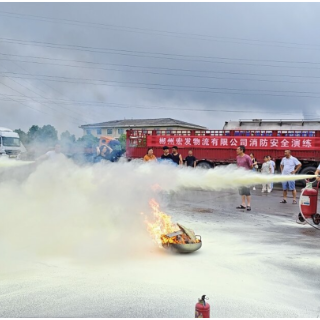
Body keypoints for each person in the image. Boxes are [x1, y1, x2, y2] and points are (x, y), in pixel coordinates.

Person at [236, 145, 253, 211]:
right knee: (241, 191)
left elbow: (251, 166)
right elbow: (238, 166)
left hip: (246, 176)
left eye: (237, 149)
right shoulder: (237, 157)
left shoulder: (247, 157)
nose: (236, 151)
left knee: (247, 191)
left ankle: (248, 205)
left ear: (242, 150)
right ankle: (243, 204)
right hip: (240, 176)